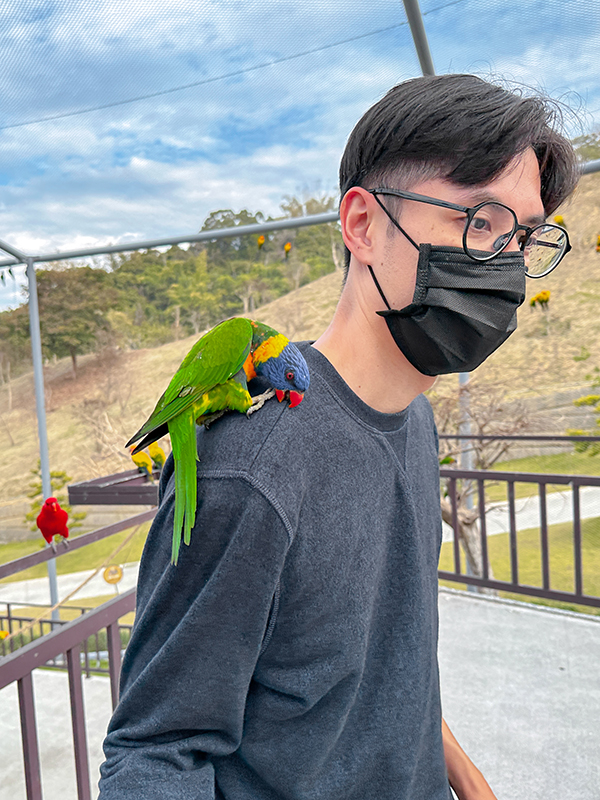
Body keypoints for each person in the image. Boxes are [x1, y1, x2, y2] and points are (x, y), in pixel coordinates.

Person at [99, 74, 578, 800]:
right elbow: (155, 751)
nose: (505, 265)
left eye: (523, 236)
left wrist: (468, 781)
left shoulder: (416, 423)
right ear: (362, 226)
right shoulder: (250, 470)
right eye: (480, 221)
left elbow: (387, 665)